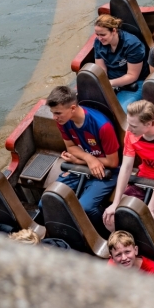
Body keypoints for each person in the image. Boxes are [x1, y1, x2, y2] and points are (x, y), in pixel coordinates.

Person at [102, 100, 154, 254]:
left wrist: (151, 209)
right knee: (111, 220)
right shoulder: (131, 134)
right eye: (128, 123)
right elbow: (126, 168)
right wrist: (116, 202)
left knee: (152, 225)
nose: (129, 129)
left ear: (149, 124)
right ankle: (130, 254)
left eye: (133, 126)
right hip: (142, 179)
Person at [46, 85, 120, 227]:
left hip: (107, 170)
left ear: (72, 108)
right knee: (49, 202)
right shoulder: (63, 121)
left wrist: (81, 160)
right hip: (82, 164)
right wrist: (88, 159)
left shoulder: (102, 126)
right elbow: (71, 147)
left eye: (58, 113)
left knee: (85, 208)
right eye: (53, 113)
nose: (54, 117)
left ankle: (103, 236)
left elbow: (113, 162)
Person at [92, 14, 147, 109]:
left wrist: (109, 83)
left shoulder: (132, 45)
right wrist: (102, 84)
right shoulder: (98, 42)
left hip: (134, 84)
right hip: (111, 81)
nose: (99, 38)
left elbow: (132, 76)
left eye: (103, 35)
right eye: (97, 35)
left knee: (120, 112)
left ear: (113, 31)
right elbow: (101, 69)